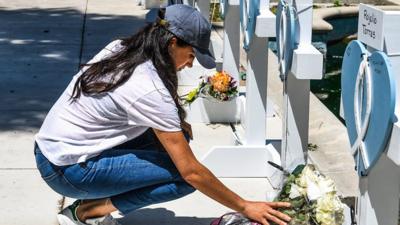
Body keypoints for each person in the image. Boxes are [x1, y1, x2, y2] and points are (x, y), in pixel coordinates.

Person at [34, 4, 291, 225]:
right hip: (67, 171)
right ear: (172, 43)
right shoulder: (148, 88)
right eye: (191, 54)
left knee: (176, 142)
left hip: (51, 151)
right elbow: (191, 172)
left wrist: (176, 123)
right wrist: (245, 206)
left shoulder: (122, 47)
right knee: (184, 179)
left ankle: (95, 198)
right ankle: (85, 211)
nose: (190, 63)